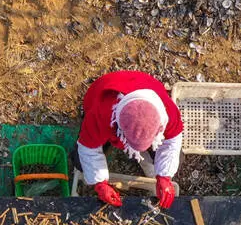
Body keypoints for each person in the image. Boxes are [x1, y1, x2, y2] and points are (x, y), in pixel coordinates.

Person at [76, 70, 184, 210]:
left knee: (177, 158)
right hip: (104, 89)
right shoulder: (102, 113)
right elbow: (87, 148)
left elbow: (172, 143)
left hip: (142, 83)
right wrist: (100, 184)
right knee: (80, 161)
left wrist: (164, 176)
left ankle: (149, 159)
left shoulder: (168, 112)